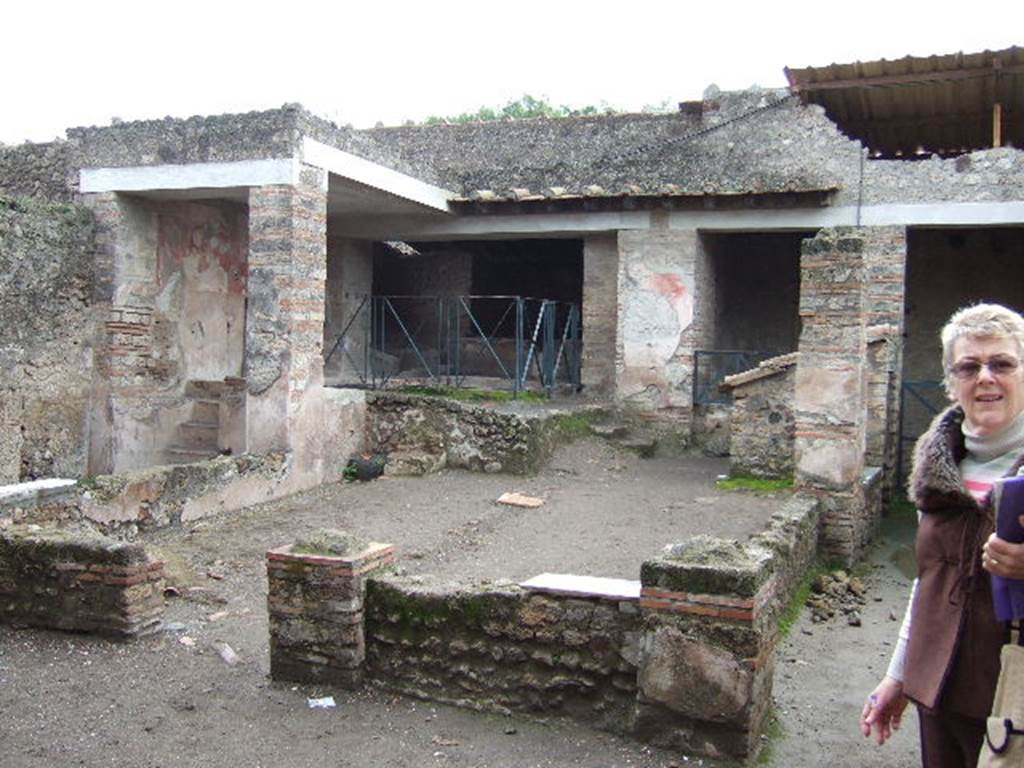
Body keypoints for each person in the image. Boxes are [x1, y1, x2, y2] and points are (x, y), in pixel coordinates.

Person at [860, 303, 1024, 768]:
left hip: (1013, 699)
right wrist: (898, 675)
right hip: (938, 694)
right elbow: (926, 582)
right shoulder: (937, 468)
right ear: (952, 383)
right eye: (969, 367)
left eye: (1002, 364)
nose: (985, 377)